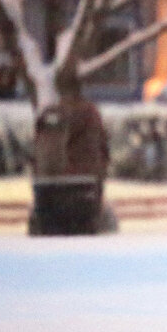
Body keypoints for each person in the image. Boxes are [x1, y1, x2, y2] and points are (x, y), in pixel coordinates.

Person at [30, 70, 111, 235]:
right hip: (85, 183)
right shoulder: (91, 113)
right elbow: (103, 148)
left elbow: (36, 146)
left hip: (47, 185)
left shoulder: (48, 114)